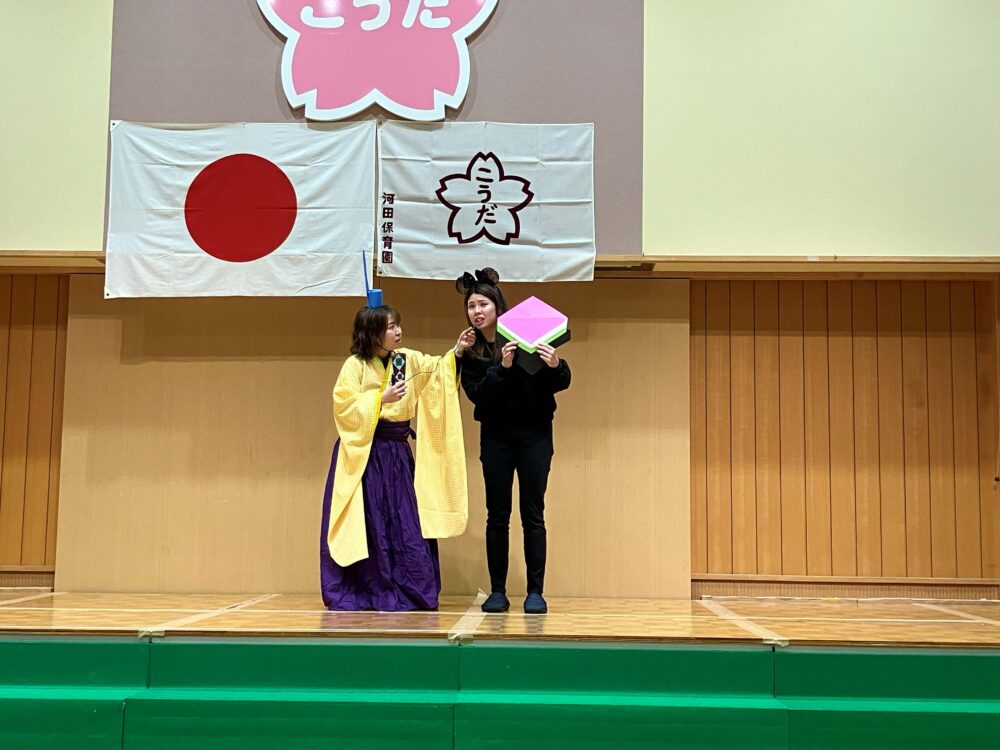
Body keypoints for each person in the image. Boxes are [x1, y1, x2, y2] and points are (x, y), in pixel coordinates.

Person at [320, 302, 476, 611]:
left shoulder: (406, 359)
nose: (398, 331)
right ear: (373, 333)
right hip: (365, 454)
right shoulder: (355, 366)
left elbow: (437, 372)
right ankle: (369, 588)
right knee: (370, 520)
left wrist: (458, 351)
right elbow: (344, 406)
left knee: (405, 519)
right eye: (391, 327)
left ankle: (410, 588)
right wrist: (381, 398)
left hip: (397, 454)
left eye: (397, 325)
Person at [456, 268, 571, 614]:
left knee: (533, 513)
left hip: (535, 436)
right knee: (497, 515)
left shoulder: (525, 333)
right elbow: (478, 395)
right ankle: (498, 591)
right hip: (496, 439)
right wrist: (502, 368)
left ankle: (535, 591)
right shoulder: (471, 351)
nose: (477, 311)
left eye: (483, 304)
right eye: (471, 306)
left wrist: (555, 364)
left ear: (498, 307)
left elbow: (559, 382)